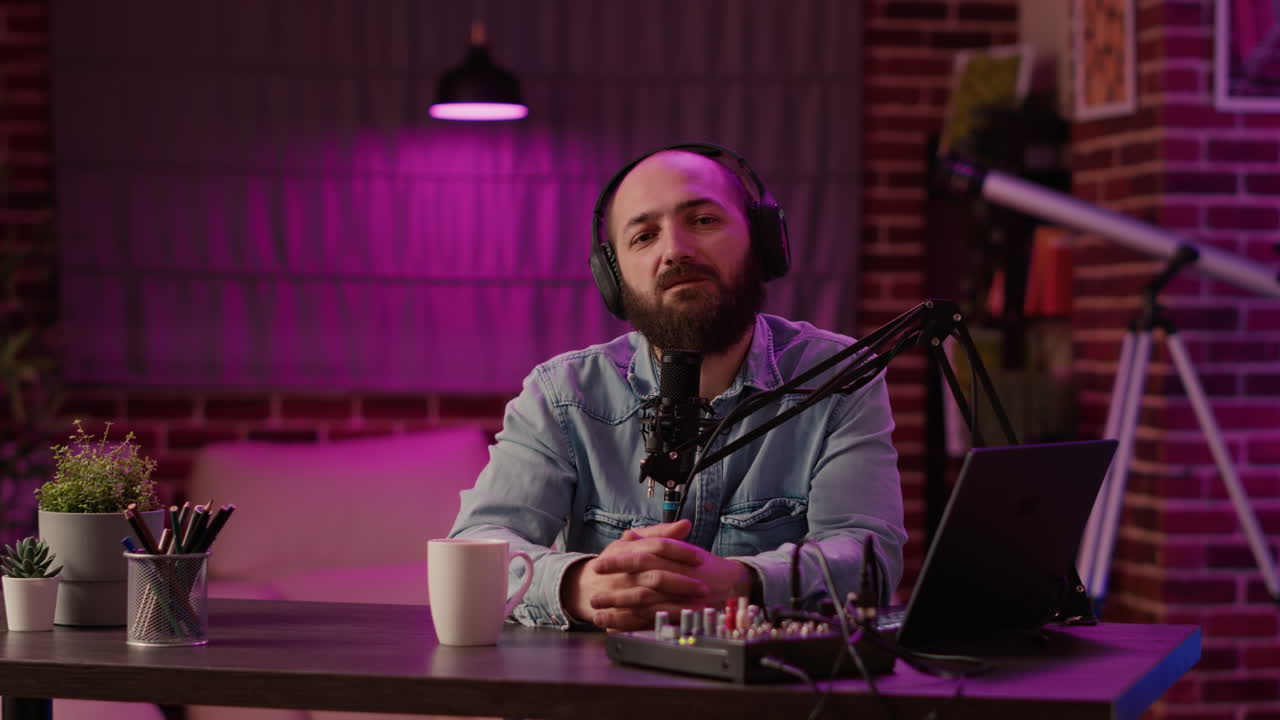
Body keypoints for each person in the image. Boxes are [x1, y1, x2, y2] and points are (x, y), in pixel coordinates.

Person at [449, 143, 905, 631]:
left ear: (762, 241)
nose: (676, 251)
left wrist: (739, 583)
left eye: (704, 221)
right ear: (614, 276)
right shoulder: (562, 395)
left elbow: (867, 553)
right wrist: (583, 585)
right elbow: (479, 544)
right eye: (644, 236)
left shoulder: (838, 376)